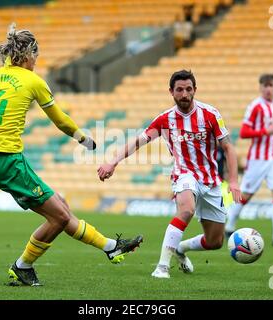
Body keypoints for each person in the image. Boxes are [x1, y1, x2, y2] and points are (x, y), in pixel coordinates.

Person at [0, 23, 143, 286]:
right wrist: (83, 138)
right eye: (36, 58)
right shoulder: (33, 81)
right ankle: (29, 264)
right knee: (61, 216)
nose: (36, 63)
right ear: (29, 54)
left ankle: (108, 247)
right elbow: (61, 121)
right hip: (9, 162)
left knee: (61, 209)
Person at [98, 70, 241, 278]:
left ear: (195, 90)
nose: (185, 94)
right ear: (171, 92)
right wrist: (112, 162)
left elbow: (228, 147)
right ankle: (162, 267)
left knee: (215, 242)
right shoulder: (165, 119)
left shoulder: (211, 114)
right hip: (184, 175)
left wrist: (234, 182)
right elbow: (138, 141)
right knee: (186, 210)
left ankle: (180, 248)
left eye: (189, 89)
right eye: (180, 90)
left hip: (210, 181)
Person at [224, 73, 273, 246]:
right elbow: (244, 133)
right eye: (265, 86)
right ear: (260, 87)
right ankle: (229, 226)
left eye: (271, 86)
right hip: (258, 159)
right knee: (246, 195)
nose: (268, 89)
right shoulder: (255, 106)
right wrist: (265, 132)